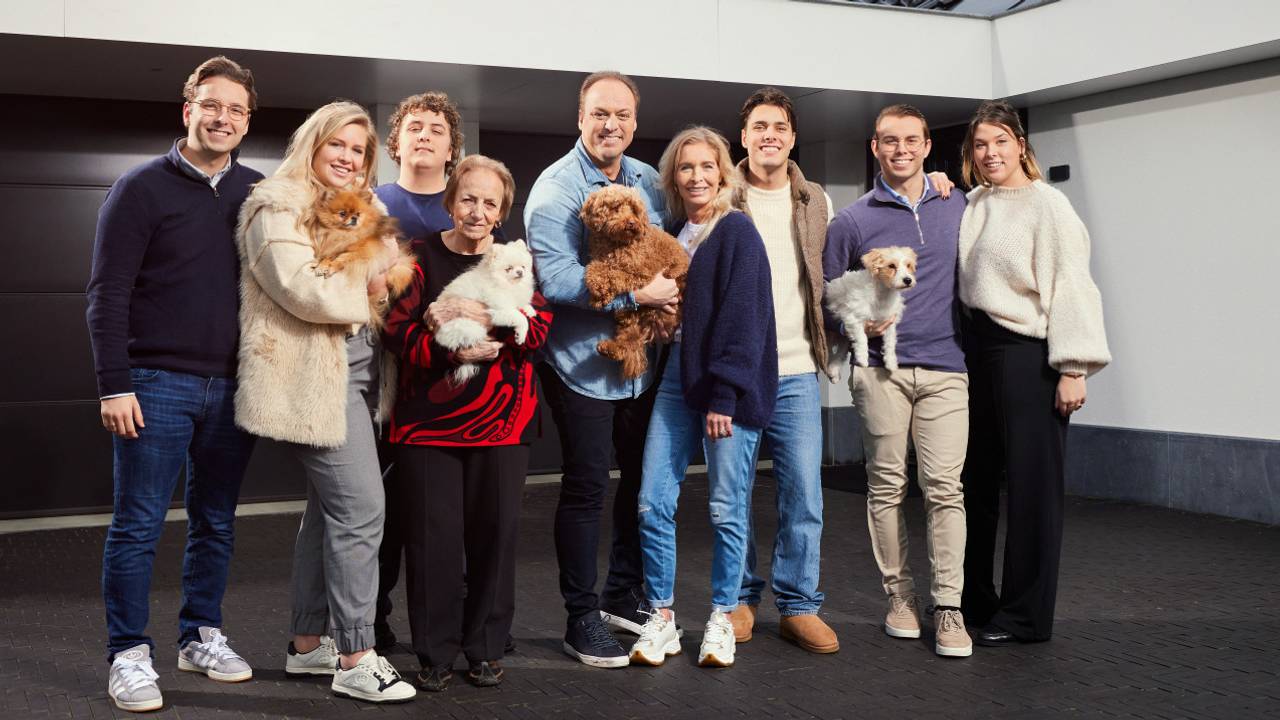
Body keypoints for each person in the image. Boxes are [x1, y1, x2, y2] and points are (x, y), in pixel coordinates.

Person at [87, 56, 262, 713]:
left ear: (247, 121)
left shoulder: (259, 192)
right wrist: (114, 384)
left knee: (215, 522)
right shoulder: (139, 189)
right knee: (138, 525)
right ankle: (128, 654)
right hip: (154, 382)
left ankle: (201, 637)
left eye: (236, 109)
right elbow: (107, 294)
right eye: (211, 105)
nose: (222, 118)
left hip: (234, 387)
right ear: (188, 110)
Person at [234, 100, 416, 703]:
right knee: (362, 510)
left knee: (327, 514)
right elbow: (299, 288)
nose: (347, 157)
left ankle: (308, 644)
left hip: (362, 373)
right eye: (336, 143)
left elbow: (394, 277)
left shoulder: (369, 206)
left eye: (358, 150)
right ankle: (356, 655)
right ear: (312, 143)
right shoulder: (275, 204)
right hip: (317, 379)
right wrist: (368, 279)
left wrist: (379, 278)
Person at [382, 155, 552, 691]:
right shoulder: (417, 257)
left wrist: (489, 323)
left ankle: (484, 647)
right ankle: (434, 652)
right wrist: (448, 351)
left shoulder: (515, 259)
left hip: (502, 424)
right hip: (426, 426)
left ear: (502, 212)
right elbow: (395, 330)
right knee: (430, 543)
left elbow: (539, 329)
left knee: (494, 540)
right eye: (468, 199)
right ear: (451, 201)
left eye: (490, 203)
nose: (478, 211)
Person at [524, 70, 674, 668]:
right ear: (581, 118)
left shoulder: (648, 180)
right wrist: (636, 296)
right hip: (581, 365)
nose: (611, 125)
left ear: (634, 123)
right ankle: (580, 616)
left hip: (644, 365)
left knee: (639, 483)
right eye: (600, 114)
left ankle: (621, 593)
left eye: (622, 115)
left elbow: (675, 236)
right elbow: (557, 279)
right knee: (587, 488)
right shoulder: (556, 189)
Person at [957, 99, 1111, 647]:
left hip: (1029, 355)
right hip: (977, 352)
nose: (990, 152)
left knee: (1031, 489)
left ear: (1021, 145)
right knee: (975, 483)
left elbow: (1072, 285)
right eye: (980, 144)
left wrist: (1074, 367)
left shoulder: (1049, 206)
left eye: (1000, 141)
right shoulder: (974, 202)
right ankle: (975, 600)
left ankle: (1024, 616)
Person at [823, 104, 973, 658]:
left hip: (946, 366)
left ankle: (949, 607)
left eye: (911, 140)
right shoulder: (852, 221)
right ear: (875, 147)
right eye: (890, 140)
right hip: (879, 373)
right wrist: (854, 323)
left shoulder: (956, 202)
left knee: (945, 489)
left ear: (928, 146)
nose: (901, 149)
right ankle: (901, 599)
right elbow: (827, 295)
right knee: (887, 486)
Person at [629, 127, 776, 669]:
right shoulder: (672, 232)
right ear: (674, 177)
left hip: (725, 389)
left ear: (722, 173)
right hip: (677, 378)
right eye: (686, 167)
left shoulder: (736, 231)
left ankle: (722, 615)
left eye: (706, 166)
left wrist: (725, 395)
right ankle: (662, 616)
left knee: (725, 507)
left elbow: (745, 318)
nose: (696, 176)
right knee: (652, 500)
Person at [727, 87, 838, 654]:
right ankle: (738, 598)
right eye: (759, 126)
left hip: (796, 369)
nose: (769, 135)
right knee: (733, 495)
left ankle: (798, 605)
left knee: (804, 494)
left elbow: (829, 275)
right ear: (743, 136)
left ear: (792, 138)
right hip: (736, 373)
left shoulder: (815, 199)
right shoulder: (721, 195)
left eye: (779, 127)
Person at [371, 90, 465, 652]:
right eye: (414, 127)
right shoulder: (372, 203)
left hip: (447, 379)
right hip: (382, 376)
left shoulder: (465, 206)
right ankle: (372, 618)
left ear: (452, 148)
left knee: (445, 512)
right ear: (396, 142)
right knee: (379, 509)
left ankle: (451, 622)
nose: (424, 135)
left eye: (436, 129)